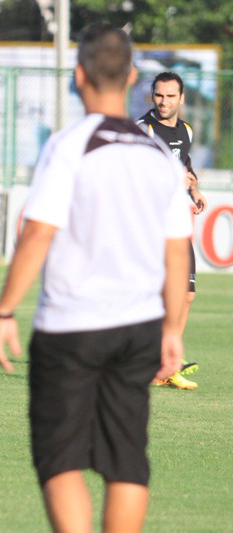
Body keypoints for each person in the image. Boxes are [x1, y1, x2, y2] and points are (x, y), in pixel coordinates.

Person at [0, 26, 190, 532]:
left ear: (77, 77)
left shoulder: (71, 144)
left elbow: (37, 233)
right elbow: (175, 252)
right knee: (126, 460)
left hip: (71, 327)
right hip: (140, 326)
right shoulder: (160, 158)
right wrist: (172, 331)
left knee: (60, 459)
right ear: (133, 78)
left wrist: (5, 309)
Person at [137, 72, 207, 390]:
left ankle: (168, 363)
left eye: (169, 96)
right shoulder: (143, 130)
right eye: (158, 96)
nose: (163, 102)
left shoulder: (186, 130)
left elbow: (185, 163)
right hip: (148, 225)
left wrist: (193, 188)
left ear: (181, 98)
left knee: (187, 295)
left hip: (175, 222)